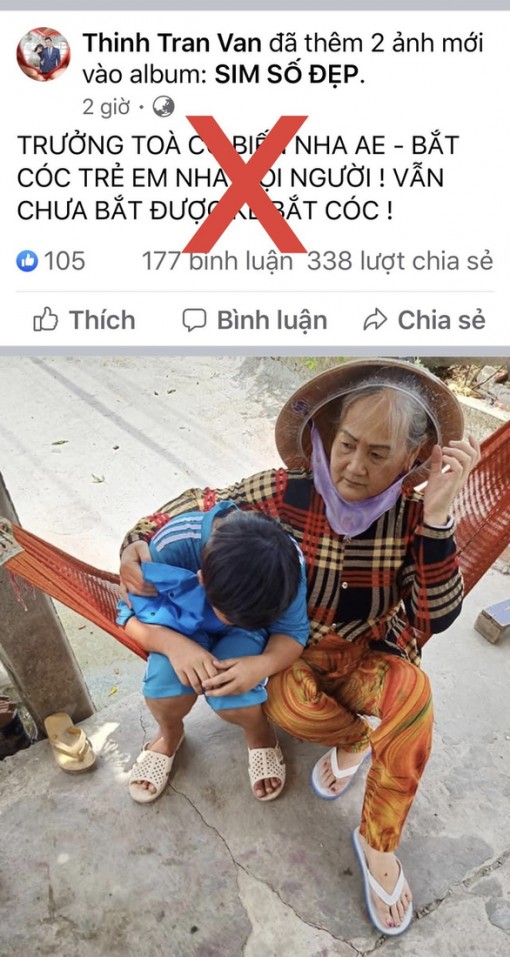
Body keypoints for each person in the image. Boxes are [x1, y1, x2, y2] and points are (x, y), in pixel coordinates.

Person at [119, 359, 480, 936]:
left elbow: (436, 616)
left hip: (372, 654)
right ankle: (354, 738)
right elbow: (201, 503)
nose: (354, 467)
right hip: (298, 651)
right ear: (328, 435)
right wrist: (136, 542)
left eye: (379, 454)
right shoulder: (284, 490)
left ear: (412, 458)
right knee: (289, 708)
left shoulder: (416, 516)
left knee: (415, 701)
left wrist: (438, 520)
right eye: (347, 444)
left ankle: (378, 843)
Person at [118, 502, 309, 804]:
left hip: (246, 634)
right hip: (175, 627)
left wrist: (261, 665)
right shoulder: (173, 546)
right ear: (202, 578)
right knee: (163, 690)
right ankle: (169, 733)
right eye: (229, 614)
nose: (230, 620)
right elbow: (128, 615)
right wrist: (173, 646)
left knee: (234, 695)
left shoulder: (287, 568)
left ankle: (258, 732)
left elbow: (293, 633)